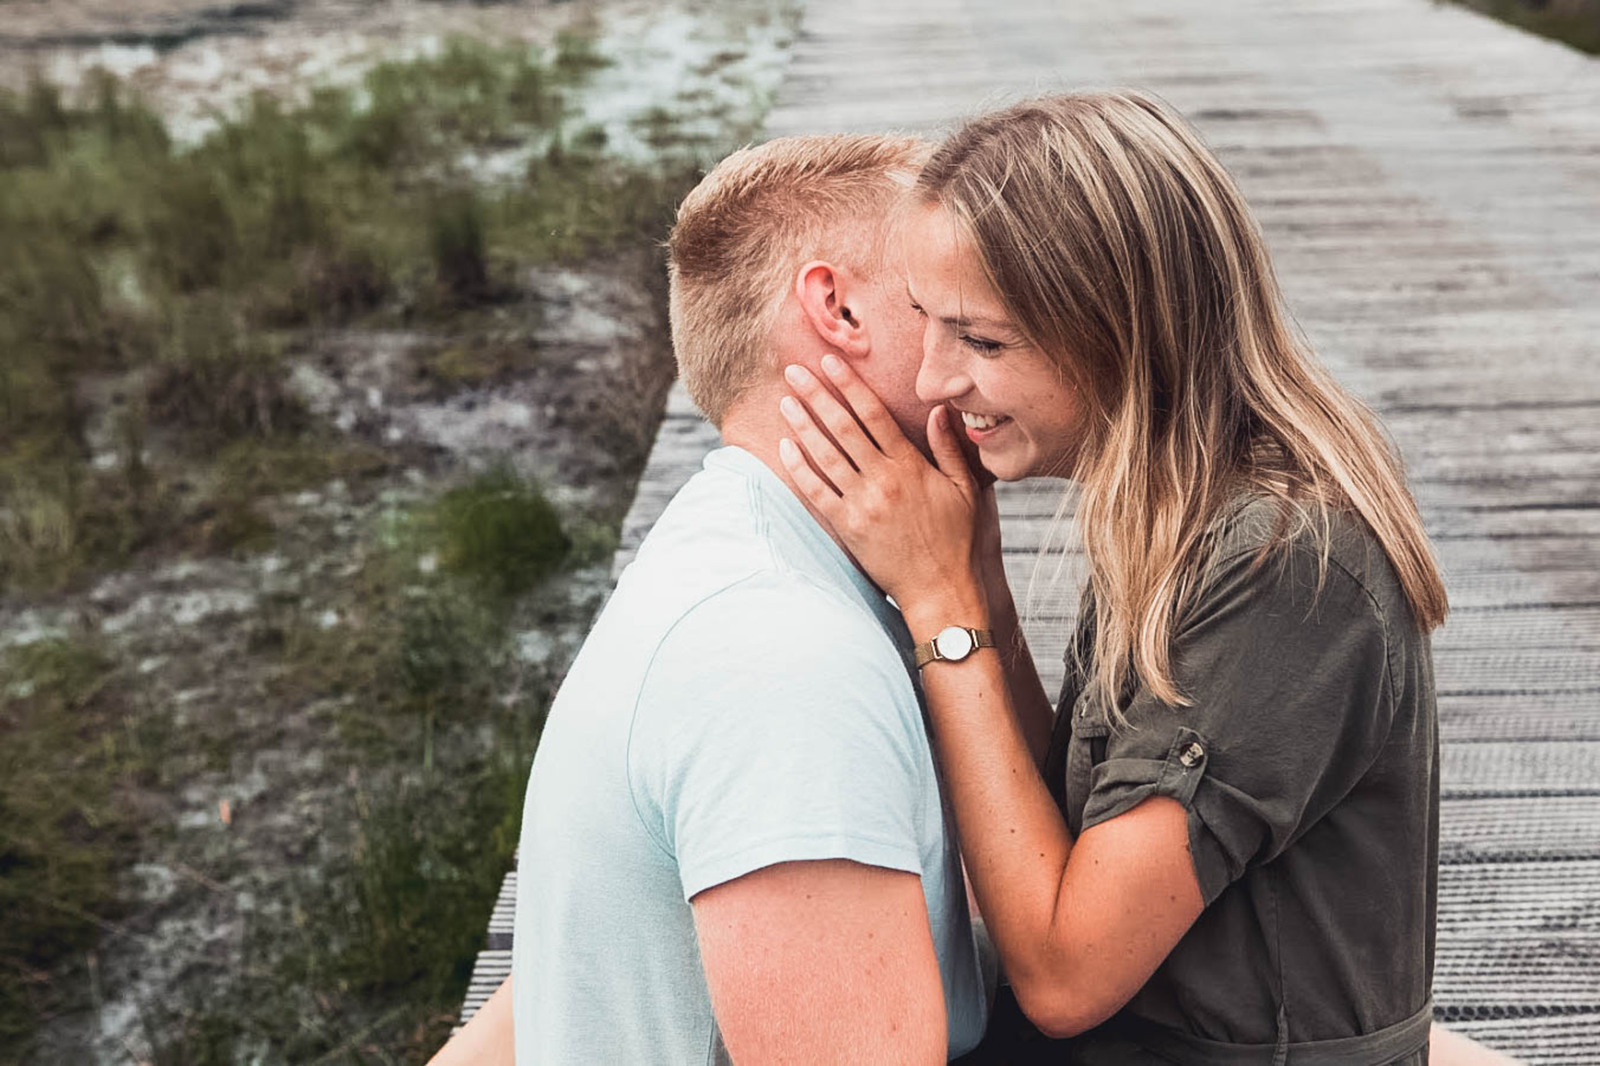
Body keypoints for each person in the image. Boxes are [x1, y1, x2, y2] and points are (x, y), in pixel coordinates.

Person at [776, 91, 1504, 1064]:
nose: (934, 380)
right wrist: (979, 575)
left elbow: (1067, 976)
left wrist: (942, 609)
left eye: (983, 341)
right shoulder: (1176, 498)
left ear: (1122, 331)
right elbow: (1068, 838)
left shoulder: (1276, 557)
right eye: (925, 322)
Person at [429, 133, 988, 1066]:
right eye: (945, 302)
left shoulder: (725, 546)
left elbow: (583, 963)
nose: (984, 332)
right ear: (837, 308)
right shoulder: (781, 661)